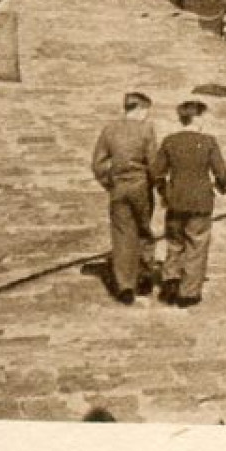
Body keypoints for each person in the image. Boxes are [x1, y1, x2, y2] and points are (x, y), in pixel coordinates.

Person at [151, 99, 226, 309]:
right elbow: (220, 172)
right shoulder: (208, 142)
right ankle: (189, 292)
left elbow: (156, 172)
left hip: (175, 200)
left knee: (175, 241)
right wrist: (221, 186)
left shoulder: (170, 141)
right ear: (198, 118)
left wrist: (164, 191)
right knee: (197, 244)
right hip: (200, 202)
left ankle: (170, 281)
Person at [90, 92, 160, 305]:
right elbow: (153, 163)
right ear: (139, 109)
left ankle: (124, 285)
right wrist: (157, 184)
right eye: (146, 111)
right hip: (140, 188)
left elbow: (98, 163)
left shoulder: (110, 130)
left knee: (121, 235)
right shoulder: (146, 130)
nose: (147, 115)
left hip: (118, 189)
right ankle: (144, 275)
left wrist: (109, 183)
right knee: (143, 230)